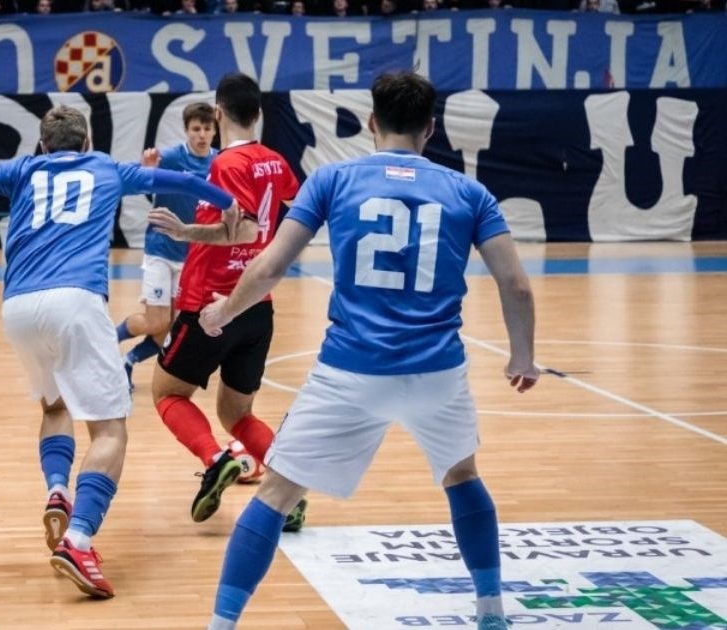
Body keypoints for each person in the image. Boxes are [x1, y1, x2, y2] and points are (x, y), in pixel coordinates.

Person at [0, 105, 237, 600]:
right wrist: (227, 202)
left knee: (54, 407)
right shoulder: (107, 168)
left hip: (18, 308)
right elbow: (181, 182)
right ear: (87, 141)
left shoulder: (22, 169)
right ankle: (79, 539)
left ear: (43, 146)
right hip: (75, 301)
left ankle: (58, 490)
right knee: (110, 429)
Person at [199, 72, 538, 630]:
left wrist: (223, 311)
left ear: (372, 122)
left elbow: (271, 266)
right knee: (462, 476)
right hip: (436, 372)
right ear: (432, 128)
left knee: (276, 495)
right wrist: (522, 356)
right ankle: (491, 612)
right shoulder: (470, 192)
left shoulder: (333, 180)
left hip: (351, 371)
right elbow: (516, 284)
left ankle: (222, 624)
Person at [146, 72, 302, 531]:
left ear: (217, 113)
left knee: (168, 393)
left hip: (209, 302)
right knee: (237, 413)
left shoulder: (225, 165)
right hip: (258, 301)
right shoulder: (275, 160)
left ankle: (216, 460)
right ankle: (288, 494)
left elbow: (245, 228)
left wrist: (184, 231)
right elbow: (286, 210)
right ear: (258, 114)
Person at [116, 102, 216, 392]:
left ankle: (129, 360)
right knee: (156, 320)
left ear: (214, 130)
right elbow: (143, 188)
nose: (201, 134)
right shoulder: (171, 158)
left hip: (193, 255)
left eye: (207, 128)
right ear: (186, 130)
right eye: (196, 129)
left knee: (169, 329)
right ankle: (109, 339)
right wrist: (148, 172)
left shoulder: (219, 162)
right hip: (161, 249)